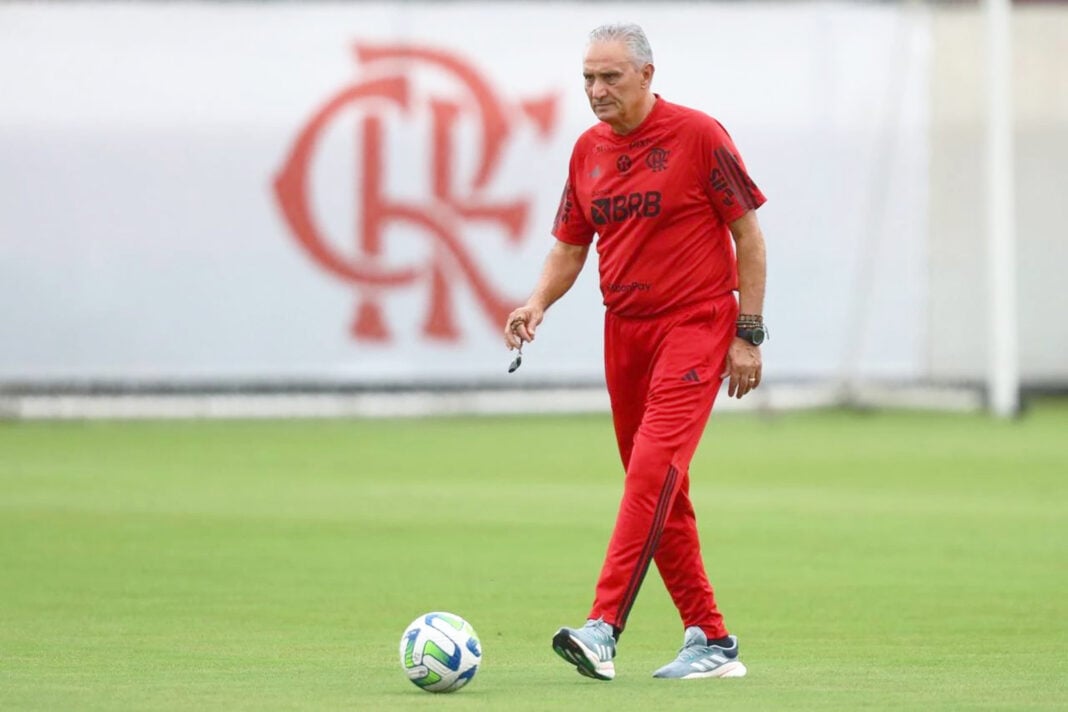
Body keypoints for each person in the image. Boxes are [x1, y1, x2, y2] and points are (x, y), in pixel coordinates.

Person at [503, 23, 768, 681]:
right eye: (588, 78)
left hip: (696, 324)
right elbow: (570, 246)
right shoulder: (587, 150)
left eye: (609, 77)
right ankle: (711, 639)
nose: (596, 90)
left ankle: (603, 628)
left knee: (652, 473)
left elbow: (749, 237)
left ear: (647, 75)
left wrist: (748, 333)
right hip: (624, 331)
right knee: (657, 490)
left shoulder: (699, 135)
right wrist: (537, 301)